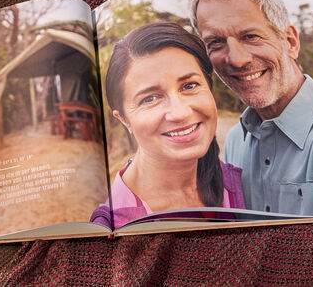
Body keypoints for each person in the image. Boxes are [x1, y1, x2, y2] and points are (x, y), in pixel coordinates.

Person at [190, 0, 313, 216]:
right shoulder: (234, 141)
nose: (237, 60)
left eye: (250, 37)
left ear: (290, 42)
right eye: (216, 43)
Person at [90, 22, 245, 229]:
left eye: (189, 86)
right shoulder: (112, 225)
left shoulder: (240, 184)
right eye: (150, 98)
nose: (180, 113)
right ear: (124, 119)